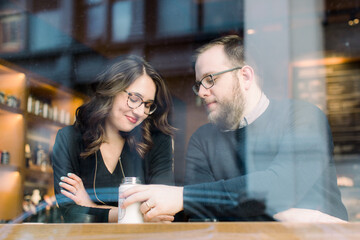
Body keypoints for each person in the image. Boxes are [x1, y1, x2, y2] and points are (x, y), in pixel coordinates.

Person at [121, 35, 348, 222]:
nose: (201, 92)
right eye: (199, 84)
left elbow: (282, 186)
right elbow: (201, 218)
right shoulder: (203, 138)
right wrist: (279, 213)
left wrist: (185, 197)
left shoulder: (303, 116)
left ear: (245, 76)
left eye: (210, 79)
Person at [52, 55, 175, 223]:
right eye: (134, 99)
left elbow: (161, 214)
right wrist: (132, 214)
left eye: (147, 105)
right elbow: (70, 213)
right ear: (112, 90)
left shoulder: (158, 142)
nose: (139, 112)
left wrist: (90, 206)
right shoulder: (69, 139)